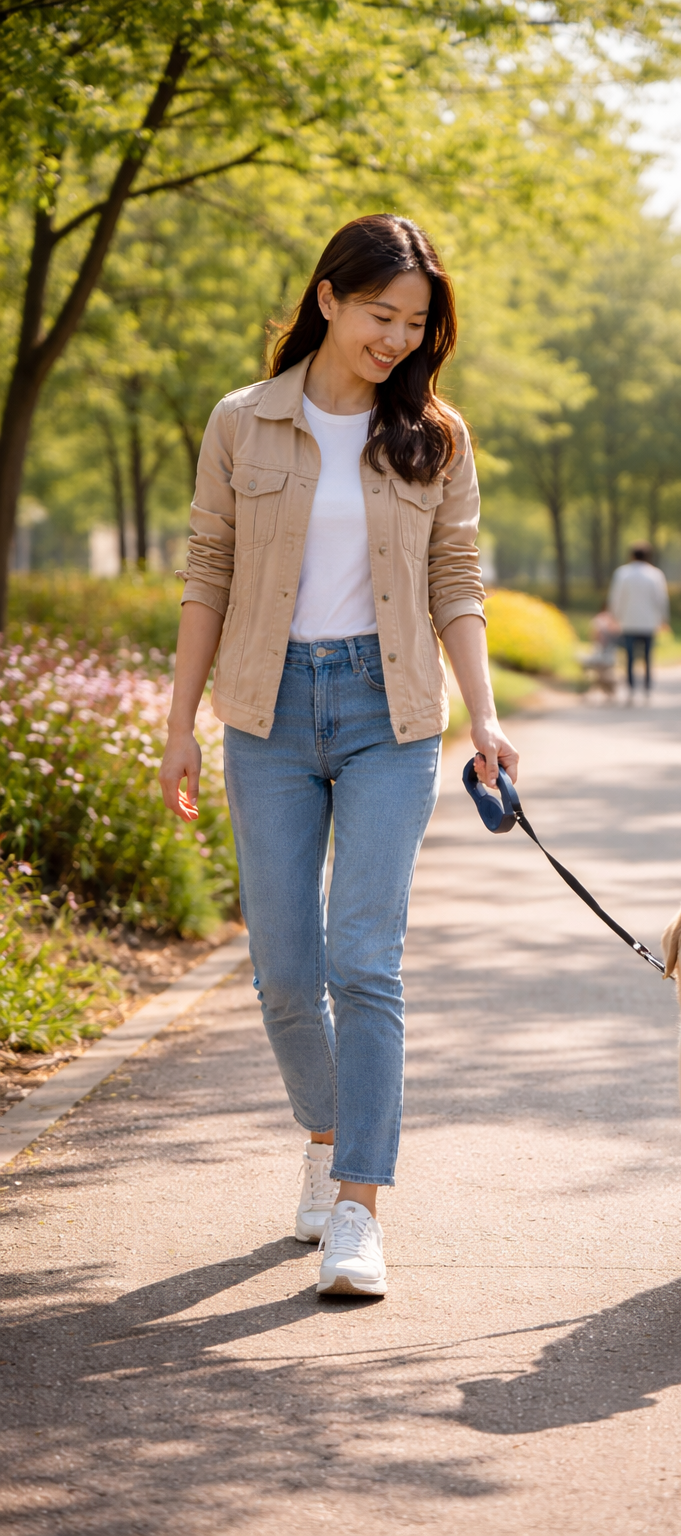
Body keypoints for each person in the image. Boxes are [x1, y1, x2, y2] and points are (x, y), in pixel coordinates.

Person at [158, 215, 518, 1298]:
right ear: (327, 299)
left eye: (416, 325)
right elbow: (207, 573)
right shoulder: (242, 421)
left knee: (366, 960)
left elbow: (456, 581)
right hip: (264, 712)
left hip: (387, 711)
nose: (398, 340)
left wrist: (486, 714)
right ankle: (328, 1132)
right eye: (380, 315)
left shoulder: (434, 437)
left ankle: (358, 1208)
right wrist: (179, 723)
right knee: (282, 976)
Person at [607, 542, 670, 697]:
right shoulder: (655, 575)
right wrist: (664, 619)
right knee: (648, 656)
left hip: (628, 621)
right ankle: (647, 687)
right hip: (648, 622)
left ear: (631, 555)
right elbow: (661, 599)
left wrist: (614, 616)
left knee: (629, 656)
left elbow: (616, 597)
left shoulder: (622, 573)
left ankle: (631, 687)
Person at [583, 609, 620, 701]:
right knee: (601, 672)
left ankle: (607, 689)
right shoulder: (597, 645)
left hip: (607, 657)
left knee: (602, 671)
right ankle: (608, 690)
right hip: (600, 657)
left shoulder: (611, 642)